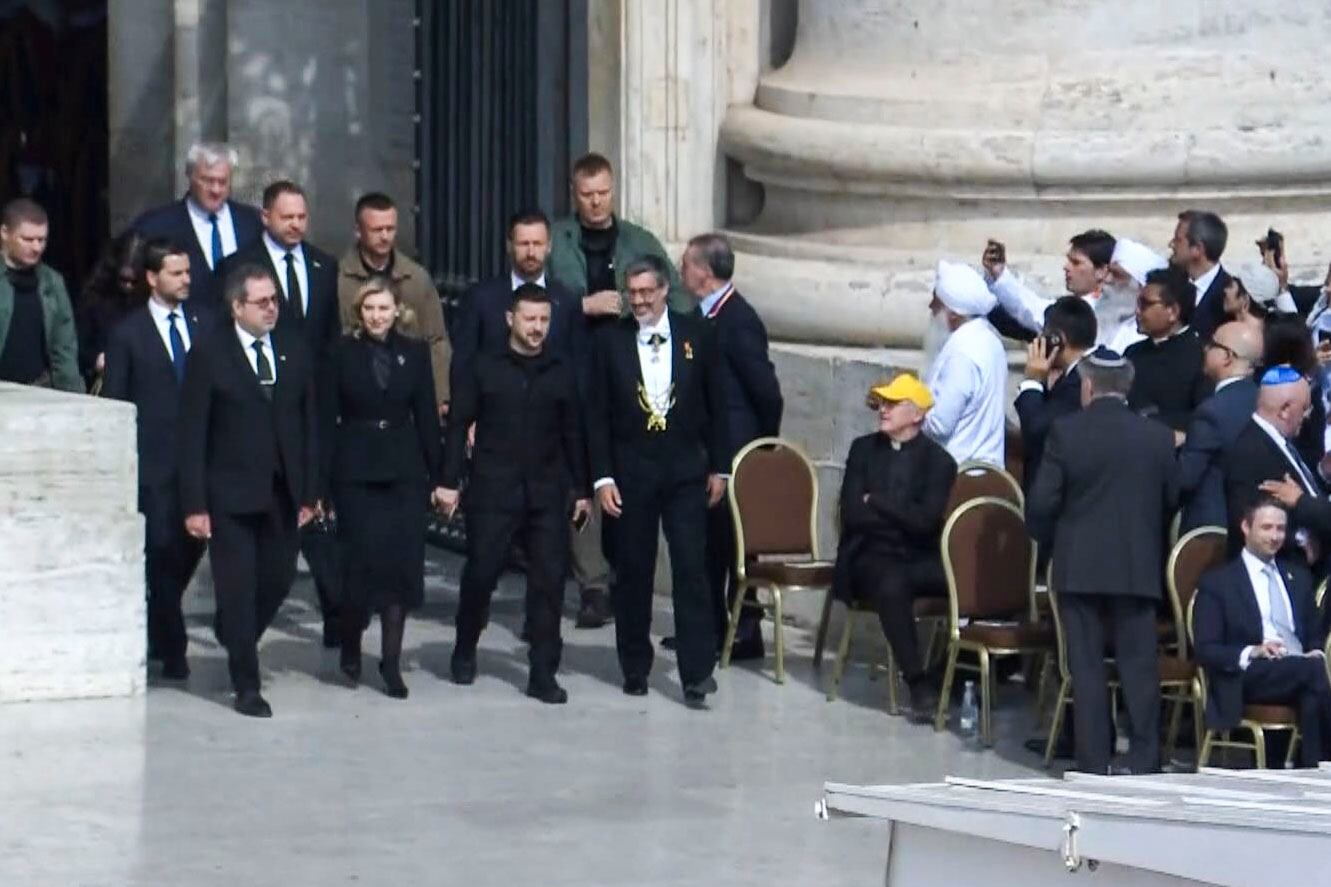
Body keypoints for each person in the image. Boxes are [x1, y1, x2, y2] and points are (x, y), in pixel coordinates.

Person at [1026, 347, 1179, 775]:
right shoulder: (1157, 436)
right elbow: (1171, 497)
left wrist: (1051, 542)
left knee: (1088, 669)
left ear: (1087, 387)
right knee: (1139, 666)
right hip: (1137, 565)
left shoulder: (1066, 433)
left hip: (1080, 566)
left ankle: (1093, 761)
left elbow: (1042, 503)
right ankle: (1146, 756)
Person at [448, 211, 604, 628]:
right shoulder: (483, 298)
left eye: (538, 243)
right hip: (495, 451)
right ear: (510, 246)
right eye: (524, 243)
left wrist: (581, 473)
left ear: (549, 246)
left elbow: (576, 372)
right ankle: (469, 634)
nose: (531, 252)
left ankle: (543, 657)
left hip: (547, 453)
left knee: (548, 570)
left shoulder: (566, 301)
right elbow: (463, 364)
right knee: (483, 565)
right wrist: (467, 417)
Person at [177, 264, 321, 718]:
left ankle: (234, 632)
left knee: (277, 579)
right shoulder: (211, 353)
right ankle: (247, 684)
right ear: (237, 306)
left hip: (281, 491)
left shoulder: (294, 350)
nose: (271, 308)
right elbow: (193, 430)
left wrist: (311, 490)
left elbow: (309, 423)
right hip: (230, 492)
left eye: (275, 300)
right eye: (261, 302)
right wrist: (195, 503)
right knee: (237, 588)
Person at [587, 254, 727, 708]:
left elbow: (717, 406)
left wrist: (718, 467)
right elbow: (598, 418)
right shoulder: (610, 343)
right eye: (633, 293)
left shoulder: (697, 335)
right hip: (632, 473)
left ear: (666, 290)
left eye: (648, 292)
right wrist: (603, 476)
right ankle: (634, 664)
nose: (640, 301)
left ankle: (697, 672)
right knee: (633, 571)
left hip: (685, 471)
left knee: (691, 569)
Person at [441, 284, 589, 704]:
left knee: (548, 584)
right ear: (510, 319)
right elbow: (458, 426)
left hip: (545, 492)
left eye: (544, 320)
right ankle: (465, 644)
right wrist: (449, 481)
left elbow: (572, 433)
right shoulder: (483, 367)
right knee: (482, 573)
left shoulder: (561, 370)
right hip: (494, 489)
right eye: (530, 319)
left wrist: (580, 488)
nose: (537, 328)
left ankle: (543, 671)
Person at [220, 180, 345, 644]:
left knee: (318, 514)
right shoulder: (238, 267)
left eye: (301, 217)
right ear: (266, 217)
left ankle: (337, 612)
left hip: (311, 413)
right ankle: (241, 625)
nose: (295, 224)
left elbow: (330, 344)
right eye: (286, 216)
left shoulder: (323, 265)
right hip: (261, 415)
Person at [325, 278, 444, 699]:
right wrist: (321, 482)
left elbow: (427, 416)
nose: (377, 316)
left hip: (403, 470)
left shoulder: (413, 354)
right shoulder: (341, 353)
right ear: (360, 312)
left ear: (398, 310)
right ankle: (352, 643)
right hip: (355, 469)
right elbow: (326, 417)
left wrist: (443, 477)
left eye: (384, 307)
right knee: (359, 566)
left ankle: (391, 662)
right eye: (370, 308)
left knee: (400, 569)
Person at [101, 239, 210, 679]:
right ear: (151, 278)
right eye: (176, 273)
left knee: (189, 548)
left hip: (200, 461)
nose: (186, 280)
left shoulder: (205, 323)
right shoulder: (128, 334)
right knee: (162, 552)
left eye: (188, 272)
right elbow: (116, 403)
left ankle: (157, 624)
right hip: (155, 464)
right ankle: (174, 644)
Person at [678, 232, 783, 660]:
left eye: (686, 264)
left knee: (731, 542)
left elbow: (767, 392)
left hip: (734, 452)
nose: (681, 270)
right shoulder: (702, 317)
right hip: (706, 447)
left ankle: (741, 630)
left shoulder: (738, 321)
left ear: (703, 272)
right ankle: (708, 628)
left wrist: (761, 448)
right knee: (708, 545)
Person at [833, 374, 956, 722]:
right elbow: (853, 514)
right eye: (882, 403)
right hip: (869, 554)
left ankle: (950, 673)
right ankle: (917, 683)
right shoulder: (863, 450)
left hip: (919, 555)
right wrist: (899, 517)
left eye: (892, 403)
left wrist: (879, 502)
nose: (883, 410)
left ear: (916, 414)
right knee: (891, 584)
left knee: (972, 585)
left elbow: (926, 522)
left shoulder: (939, 462)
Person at [1193, 496, 1331, 768]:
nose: (1275, 536)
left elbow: (1313, 631)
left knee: (1312, 686)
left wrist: (1315, 649)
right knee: (1314, 674)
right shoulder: (1219, 582)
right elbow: (1206, 649)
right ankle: (1323, 763)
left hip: (1296, 668)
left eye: (1280, 529)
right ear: (1246, 527)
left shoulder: (1298, 577)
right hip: (1248, 671)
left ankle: (1312, 767)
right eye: (1266, 528)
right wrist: (1254, 650)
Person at [547, 152, 690, 330]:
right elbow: (532, 297)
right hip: (572, 342)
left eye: (603, 192)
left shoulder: (640, 240)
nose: (596, 201)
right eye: (587, 194)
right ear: (573, 193)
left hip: (628, 340)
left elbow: (676, 295)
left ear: (613, 190)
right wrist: (581, 305)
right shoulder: (554, 240)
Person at [337, 192, 451, 414]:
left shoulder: (416, 278)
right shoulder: (339, 279)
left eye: (390, 229)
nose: (385, 236)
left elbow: (436, 339)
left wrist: (439, 396)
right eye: (377, 230)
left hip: (408, 394)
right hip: (357, 400)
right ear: (358, 231)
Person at [132, 141, 262, 311]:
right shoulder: (157, 226)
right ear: (189, 176)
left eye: (222, 182)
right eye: (207, 181)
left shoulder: (252, 222)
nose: (216, 190)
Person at [1177, 322, 1261, 533]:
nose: (1205, 348)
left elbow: (1185, 478)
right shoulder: (1263, 401)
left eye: (1212, 344)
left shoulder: (1212, 412)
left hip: (1211, 534)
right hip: (1252, 523)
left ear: (1227, 357)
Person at [922, 259, 1007, 467]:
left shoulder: (963, 353)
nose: (930, 307)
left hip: (958, 473)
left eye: (936, 302)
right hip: (984, 468)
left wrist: (906, 408)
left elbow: (939, 425)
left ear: (953, 314)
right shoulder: (988, 339)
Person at [1014, 296, 1096, 494]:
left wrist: (1032, 382)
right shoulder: (1071, 377)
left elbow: (1037, 431)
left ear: (1057, 339)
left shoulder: (1079, 382)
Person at [0, 198, 81, 392]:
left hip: (38, 391)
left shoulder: (52, 283)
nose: (36, 247)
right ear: (4, 233)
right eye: (27, 239)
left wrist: (74, 397)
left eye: (42, 240)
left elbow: (64, 350)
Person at [981, 229, 1115, 341]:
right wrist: (998, 273)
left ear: (1101, 271)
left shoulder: (1107, 311)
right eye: (1068, 260)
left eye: (1076, 263)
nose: (1066, 267)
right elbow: (1033, 308)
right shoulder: (1069, 307)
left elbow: (1036, 313)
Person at [1125, 265, 1210, 440]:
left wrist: (1152, 421)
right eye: (1138, 303)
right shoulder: (1133, 353)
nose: (1137, 311)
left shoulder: (1200, 357)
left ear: (1173, 311)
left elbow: (1202, 416)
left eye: (1146, 304)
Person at [76, 229, 147, 386]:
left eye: (134, 281)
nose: (129, 286)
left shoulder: (151, 302)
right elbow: (79, 345)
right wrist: (96, 359)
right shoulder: (95, 300)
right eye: (124, 280)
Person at [1169, 209, 1231, 339]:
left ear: (1197, 249)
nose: (1171, 245)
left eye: (1178, 240)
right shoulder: (1171, 286)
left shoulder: (1229, 295)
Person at [1099, 237, 1166, 353]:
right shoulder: (1098, 318)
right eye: (1108, 272)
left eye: (1116, 275)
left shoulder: (1147, 336)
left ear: (1140, 286)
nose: (1106, 279)